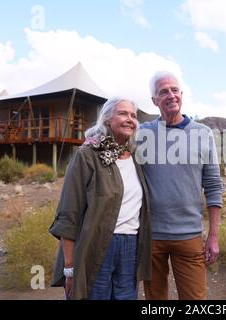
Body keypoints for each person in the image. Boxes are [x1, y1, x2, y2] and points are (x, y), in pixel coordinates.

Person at [49, 97, 151, 300]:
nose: (130, 119)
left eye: (133, 115)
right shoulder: (87, 155)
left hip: (130, 246)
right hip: (96, 245)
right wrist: (69, 267)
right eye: (123, 113)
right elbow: (69, 213)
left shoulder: (135, 158)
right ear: (107, 119)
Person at [138, 71, 223, 300]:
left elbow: (214, 186)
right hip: (151, 236)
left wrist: (213, 236)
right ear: (154, 100)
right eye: (163, 91)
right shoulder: (142, 134)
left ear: (182, 94)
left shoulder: (203, 133)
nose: (170, 95)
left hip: (189, 236)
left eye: (174, 90)